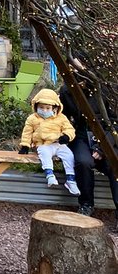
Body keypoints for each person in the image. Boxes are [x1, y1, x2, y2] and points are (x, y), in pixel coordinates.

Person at [58, 76, 118, 217]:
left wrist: (102, 147)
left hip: (106, 136)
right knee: (83, 162)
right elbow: (62, 119)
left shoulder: (106, 89)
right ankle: (86, 205)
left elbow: (115, 122)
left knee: (114, 165)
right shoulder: (67, 91)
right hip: (81, 136)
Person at [18, 88, 80, 195]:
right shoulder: (32, 118)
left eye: (48, 108)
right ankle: (50, 175)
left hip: (58, 143)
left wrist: (66, 136)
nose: (44, 110)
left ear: (55, 108)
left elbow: (69, 129)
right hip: (43, 144)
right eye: (41, 107)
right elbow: (27, 132)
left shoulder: (61, 118)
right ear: (36, 106)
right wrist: (25, 145)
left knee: (69, 155)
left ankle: (70, 179)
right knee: (45, 154)